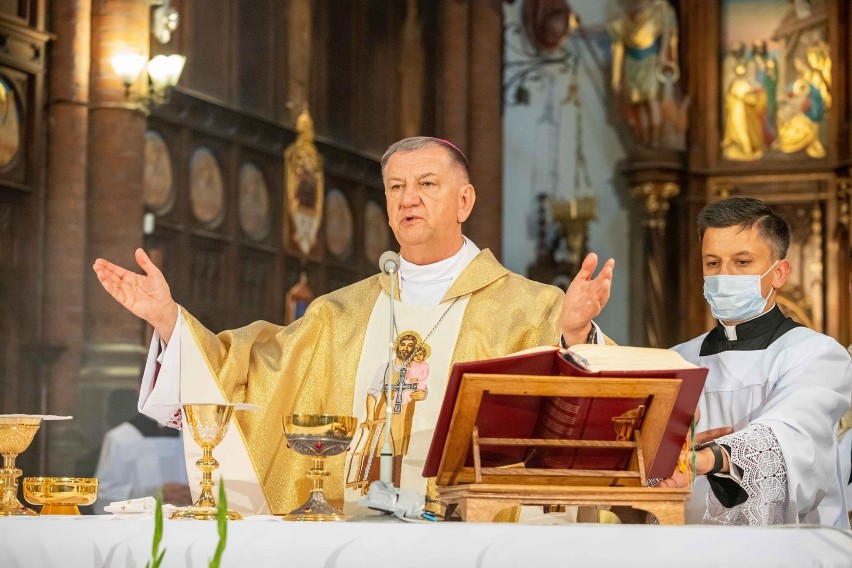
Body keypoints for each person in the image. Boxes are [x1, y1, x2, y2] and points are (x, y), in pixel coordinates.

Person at [93, 136, 614, 516]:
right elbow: (253, 372)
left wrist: (573, 336)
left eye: (427, 184)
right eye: (396, 187)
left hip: (473, 536)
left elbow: (592, 413)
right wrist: (167, 318)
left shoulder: (533, 306)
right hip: (359, 528)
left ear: (465, 201)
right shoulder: (340, 312)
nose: (408, 198)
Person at [588, 197, 851, 527]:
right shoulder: (678, 359)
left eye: (742, 263)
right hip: (686, 548)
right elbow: (637, 454)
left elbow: (795, 438)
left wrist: (702, 459)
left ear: (779, 273)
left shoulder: (816, 354)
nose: (724, 276)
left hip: (786, 551)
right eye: (712, 263)